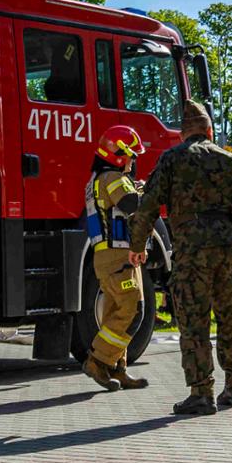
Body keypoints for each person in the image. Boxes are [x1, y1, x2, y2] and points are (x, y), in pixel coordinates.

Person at [128, 101, 232, 416]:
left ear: (182, 134)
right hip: (224, 250)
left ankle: (201, 392)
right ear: (209, 131)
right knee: (228, 316)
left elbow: (148, 204)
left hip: (191, 252)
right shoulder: (230, 161)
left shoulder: (172, 159)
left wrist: (138, 244)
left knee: (194, 321)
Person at [78, 125, 153, 392]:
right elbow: (131, 205)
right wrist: (149, 190)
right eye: (131, 155)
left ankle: (117, 367)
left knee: (114, 312)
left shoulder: (97, 179)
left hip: (110, 258)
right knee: (133, 312)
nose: (133, 161)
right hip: (117, 257)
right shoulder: (113, 177)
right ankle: (98, 360)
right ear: (118, 154)